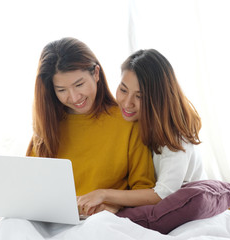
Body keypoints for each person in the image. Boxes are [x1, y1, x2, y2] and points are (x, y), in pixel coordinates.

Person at [26, 37, 155, 213]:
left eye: (79, 84)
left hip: (99, 220)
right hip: (51, 218)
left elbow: (143, 187)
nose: (74, 97)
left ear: (95, 73)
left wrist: (111, 205)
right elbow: (29, 187)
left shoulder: (127, 121)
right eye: (61, 90)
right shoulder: (47, 125)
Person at [78, 49, 207, 216]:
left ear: (159, 98)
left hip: (185, 209)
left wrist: (104, 194)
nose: (127, 103)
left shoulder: (174, 135)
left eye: (140, 96)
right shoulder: (133, 123)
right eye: (123, 90)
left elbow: (163, 193)